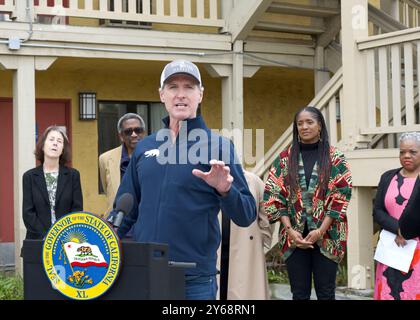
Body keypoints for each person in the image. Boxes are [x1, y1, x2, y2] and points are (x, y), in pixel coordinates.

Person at [113, 59, 256, 300]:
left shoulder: (219, 147)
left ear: (200, 94)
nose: (181, 95)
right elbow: (125, 209)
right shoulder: (145, 147)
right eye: (173, 87)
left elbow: (246, 214)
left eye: (189, 87)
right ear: (161, 95)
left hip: (194, 279)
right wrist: (107, 235)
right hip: (145, 271)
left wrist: (225, 191)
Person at [263, 106, 352, 300]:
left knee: (326, 293)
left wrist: (320, 230)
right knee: (299, 293)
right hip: (294, 238)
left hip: (329, 236)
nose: (304, 127)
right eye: (300, 123)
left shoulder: (335, 158)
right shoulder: (285, 159)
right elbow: (273, 194)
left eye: (309, 122)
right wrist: (290, 231)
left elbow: (341, 195)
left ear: (319, 126)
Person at [373, 131, 420, 300]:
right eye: (402, 152)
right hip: (391, 250)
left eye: (412, 152)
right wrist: (398, 229)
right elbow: (377, 211)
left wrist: (407, 232)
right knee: (389, 293)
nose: (406, 156)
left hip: (416, 252)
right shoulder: (388, 177)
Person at [218, 170, 273, 300]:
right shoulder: (204, 179)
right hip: (214, 249)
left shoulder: (253, 181)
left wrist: (257, 241)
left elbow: (267, 216)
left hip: (246, 250)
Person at [22, 125, 83, 240]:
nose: (55, 143)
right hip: (37, 240)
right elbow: (28, 213)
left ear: (63, 149)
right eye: (51, 140)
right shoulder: (29, 176)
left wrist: (61, 234)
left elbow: (76, 210)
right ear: (43, 146)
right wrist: (48, 236)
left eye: (59, 141)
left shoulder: (73, 175)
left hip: (66, 239)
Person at [99, 113, 146, 217]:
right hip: (118, 220)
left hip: (146, 219)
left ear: (143, 133)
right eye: (128, 132)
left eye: (138, 130)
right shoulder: (105, 159)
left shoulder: (156, 156)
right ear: (121, 136)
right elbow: (108, 190)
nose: (134, 134)